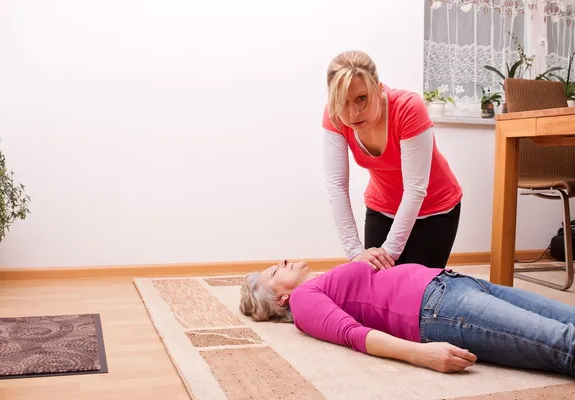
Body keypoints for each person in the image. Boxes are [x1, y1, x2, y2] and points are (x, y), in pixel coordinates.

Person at [239, 259, 575, 376]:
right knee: (563, 344)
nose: (283, 261)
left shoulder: (319, 286)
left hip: (456, 283)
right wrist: (421, 354)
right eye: (274, 270)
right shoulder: (302, 303)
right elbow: (354, 335)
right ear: (280, 298)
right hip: (439, 310)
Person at [322, 50, 463, 270]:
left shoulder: (408, 107)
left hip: (435, 208)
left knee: (417, 293)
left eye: (362, 98)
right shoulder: (335, 115)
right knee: (376, 287)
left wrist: (388, 254)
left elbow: (415, 189)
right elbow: (336, 187)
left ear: (378, 90)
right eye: (342, 102)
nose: (352, 113)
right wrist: (356, 254)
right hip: (382, 208)